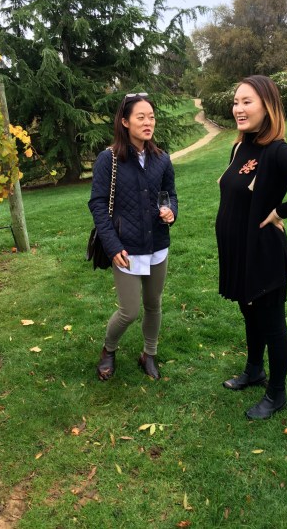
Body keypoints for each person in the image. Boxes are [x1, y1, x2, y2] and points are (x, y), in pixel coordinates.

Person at [215, 75, 287, 420]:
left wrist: (280, 212)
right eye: (236, 102)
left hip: (263, 253)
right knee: (249, 312)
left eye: (247, 102)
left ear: (267, 106)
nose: (238, 109)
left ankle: (277, 393)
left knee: (272, 324)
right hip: (238, 251)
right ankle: (254, 370)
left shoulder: (278, 151)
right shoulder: (239, 147)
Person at [88, 93, 178, 381]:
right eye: (141, 117)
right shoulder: (109, 159)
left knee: (154, 305)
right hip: (125, 248)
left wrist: (171, 211)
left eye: (151, 117)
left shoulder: (162, 158)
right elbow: (98, 204)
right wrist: (112, 245)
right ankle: (108, 349)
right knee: (129, 311)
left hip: (157, 245)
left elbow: (170, 194)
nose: (148, 122)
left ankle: (148, 354)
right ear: (125, 122)